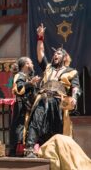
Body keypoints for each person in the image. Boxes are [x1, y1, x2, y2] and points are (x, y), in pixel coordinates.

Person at [25, 23, 81, 158]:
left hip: (59, 102)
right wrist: (40, 37)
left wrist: (74, 97)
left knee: (56, 128)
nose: (56, 54)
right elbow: (40, 53)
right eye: (55, 53)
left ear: (65, 57)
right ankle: (29, 149)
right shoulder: (48, 67)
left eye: (59, 53)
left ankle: (54, 153)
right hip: (43, 98)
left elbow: (76, 87)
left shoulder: (72, 72)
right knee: (36, 120)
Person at [9, 57, 40, 156]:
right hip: (21, 106)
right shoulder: (20, 75)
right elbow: (18, 88)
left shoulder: (26, 77)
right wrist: (30, 83)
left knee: (24, 127)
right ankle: (14, 152)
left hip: (27, 107)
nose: (33, 65)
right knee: (19, 127)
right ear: (26, 64)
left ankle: (20, 151)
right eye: (31, 63)